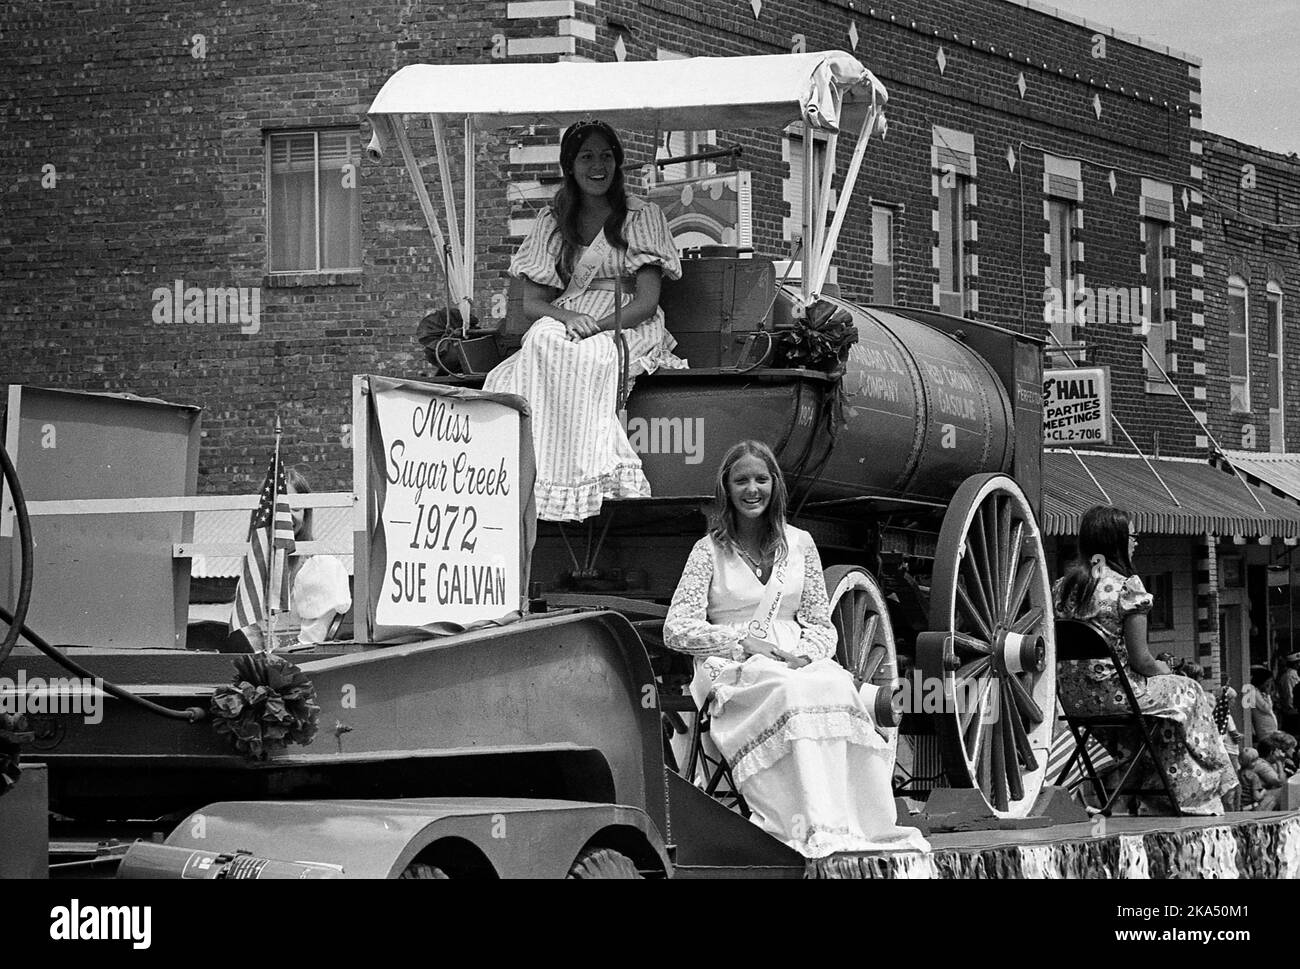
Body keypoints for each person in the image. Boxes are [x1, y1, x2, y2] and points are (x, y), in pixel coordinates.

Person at [663, 440, 929, 858]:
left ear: (775, 486)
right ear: (726, 489)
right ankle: (798, 826)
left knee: (835, 688)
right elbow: (676, 629)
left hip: (796, 659)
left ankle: (849, 825)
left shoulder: (800, 544)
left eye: (761, 479)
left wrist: (805, 655)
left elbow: (822, 626)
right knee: (789, 692)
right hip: (730, 664)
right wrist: (740, 641)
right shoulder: (708, 551)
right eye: (742, 480)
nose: (752, 489)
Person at [484, 119, 685, 522]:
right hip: (571, 314)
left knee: (591, 355)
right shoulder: (552, 221)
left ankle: (586, 476)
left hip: (626, 319)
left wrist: (601, 324)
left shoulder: (641, 217)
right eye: (587, 156)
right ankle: (541, 477)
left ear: (618, 163)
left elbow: (646, 302)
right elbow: (534, 305)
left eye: (606, 156)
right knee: (540, 340)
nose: (598, 166)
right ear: (570, 166)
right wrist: (568, 315)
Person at [1053, 505, 1237, 815]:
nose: (1136, 542)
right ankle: (1214, 775)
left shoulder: (1062, 588)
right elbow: (1142, 660)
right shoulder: (1127, 587)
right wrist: (1166, 671)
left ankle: (1159, 792)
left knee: (1162, 718)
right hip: (1119, 694)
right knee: (1189, 690)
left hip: (1074, 701)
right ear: (1116, 541)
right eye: (1132, 536)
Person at [242, 468, 352, 651]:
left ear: (306, 513)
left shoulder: (321, 567)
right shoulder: (257, 566)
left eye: (296, 508)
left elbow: (312, 643)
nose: (287, 517)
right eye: (278, 508)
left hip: (302, 668)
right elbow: (249, 637)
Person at [1246, 665, 1279, 740]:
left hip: (1269, 729)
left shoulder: (1259, 692)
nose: (1268, 686)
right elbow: (1266, 708)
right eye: (1267, 683)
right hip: (1265, 730)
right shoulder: (1252, 690)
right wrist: (1268, 694)